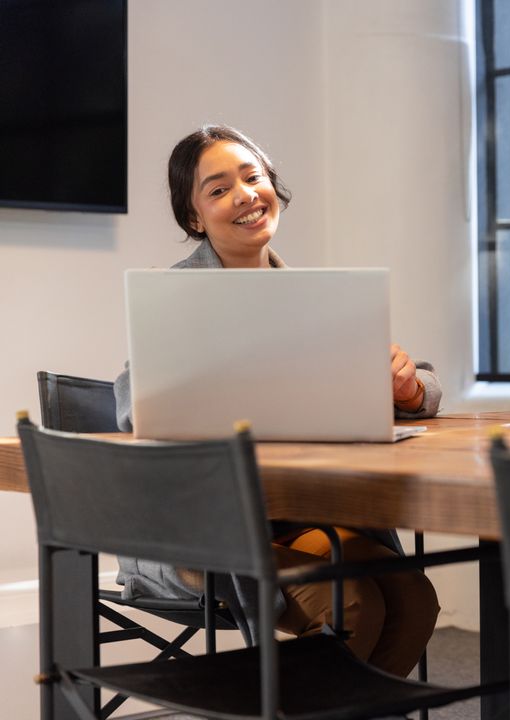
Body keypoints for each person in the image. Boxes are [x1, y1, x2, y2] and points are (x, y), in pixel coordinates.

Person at [113, 125, 439, 677]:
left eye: (253, 177)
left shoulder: (316, 299)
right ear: (194, 217)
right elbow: (129, 405)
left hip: (306, 516)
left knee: (413, 599)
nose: (243, 195)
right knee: (351, 603)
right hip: (207, 536)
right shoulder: (174, 298)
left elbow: (425, 386)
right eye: (217, 190)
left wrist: (407, 387)